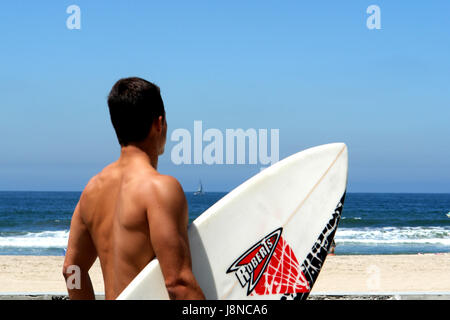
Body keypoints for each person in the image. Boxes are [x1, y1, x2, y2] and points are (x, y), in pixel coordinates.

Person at [63, 77, 205, 300]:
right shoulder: (160, 189)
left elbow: (71, 269)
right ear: (159, 124)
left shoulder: (91, 191)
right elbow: (178, 283)